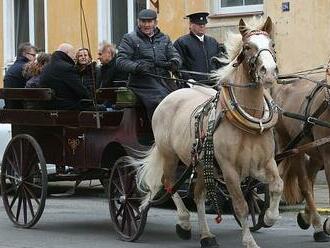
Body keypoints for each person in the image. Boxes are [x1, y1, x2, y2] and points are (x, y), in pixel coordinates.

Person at [116, 8, 182, 121]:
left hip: (164, 80)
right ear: (138, 22)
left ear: (155, 23)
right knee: (161, 99)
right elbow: (121, 61)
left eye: (150, 22)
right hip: (141, 82)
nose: (147, 25)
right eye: (143, 22)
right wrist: (137, 67)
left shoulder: (164, 38)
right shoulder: (130, 38)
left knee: (181, 98)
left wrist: (174, 63)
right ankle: (158, 131)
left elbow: (175, 55)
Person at [173, 12, 227, 83]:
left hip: (214, 85)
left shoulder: (213, 42)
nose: (202, 26)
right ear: (191, 25)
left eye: (203, 24)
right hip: (192, 86)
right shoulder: (181, 42)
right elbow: (178, 65)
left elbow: (219, 61)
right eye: (199, 24)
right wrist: (188, 79)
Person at [39, 43, 90, 110]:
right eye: (74, 56)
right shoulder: (67, 68)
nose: (75, 59)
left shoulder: (46, 67)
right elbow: (82, 92)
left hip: (47, 108)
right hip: (66, 109)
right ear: (68, 54)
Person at [3, 42, 37, 108]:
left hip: (9, 108)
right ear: (24, 54)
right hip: (21, 108)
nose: (35, 58)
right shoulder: (27, 68)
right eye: (33, 55)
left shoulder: (12, 68)